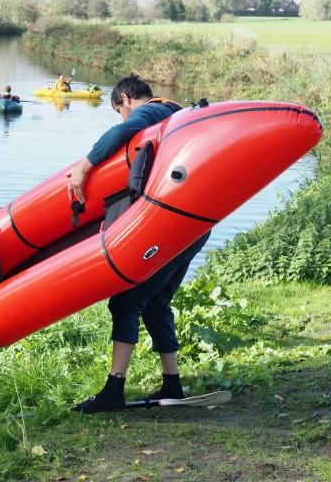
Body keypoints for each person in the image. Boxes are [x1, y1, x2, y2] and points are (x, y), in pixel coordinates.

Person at [66, 74, 209, 413]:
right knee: (157, 300)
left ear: (127, 99)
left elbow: (122, 132)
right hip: (196, 227)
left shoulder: (148, 113)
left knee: (126, 302)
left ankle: (114, 389)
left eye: (120, 110)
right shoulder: (177, 111)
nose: (123, 117)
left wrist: (84, 167)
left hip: (174, 226)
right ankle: (172, 385)